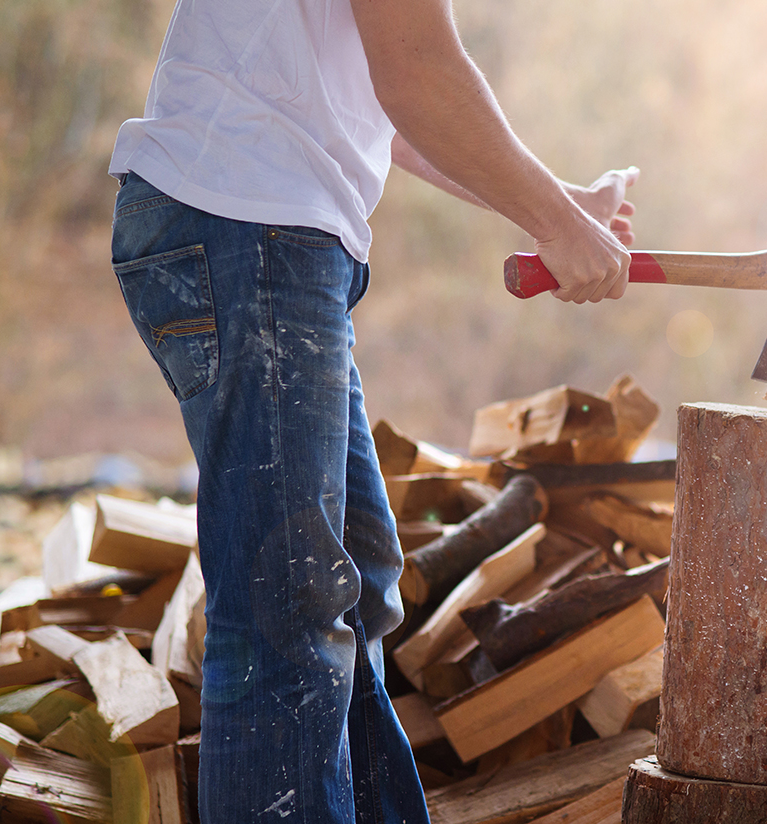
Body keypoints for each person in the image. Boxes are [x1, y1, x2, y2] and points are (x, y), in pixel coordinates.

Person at [107, 0, 638, 820]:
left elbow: (384, 108)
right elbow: (419, 75)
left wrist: (558, 203)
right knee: (291, 606)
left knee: (352, 583)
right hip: (251, 223)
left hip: (260, 227)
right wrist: (558, 224)